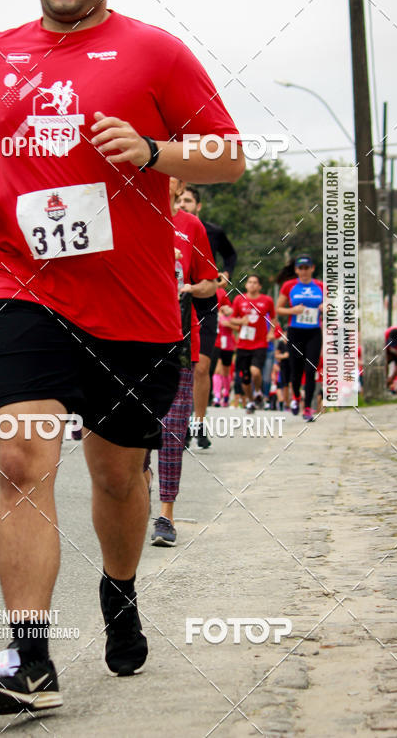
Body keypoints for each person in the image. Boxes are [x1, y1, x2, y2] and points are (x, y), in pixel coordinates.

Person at [0, 0, 244, 715]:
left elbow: (229, 153)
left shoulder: (155, 51)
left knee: (117, 476)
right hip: (23, 288)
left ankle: (121, 586)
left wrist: (152, 151)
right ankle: (30, 660)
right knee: (22, 466)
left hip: (134, 309)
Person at [149, 178, 217, 546]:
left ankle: (166, 514)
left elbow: (210, 281)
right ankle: (135, 493)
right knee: (139, 435)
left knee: (173, 432)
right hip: (134, 337)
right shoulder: (134, 213)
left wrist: (191, 288)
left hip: (179, 337)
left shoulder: (192, 226)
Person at [177, 186, 237, 447]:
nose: (183, 204)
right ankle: (177, 420)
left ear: (198, 205)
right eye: (180, 200)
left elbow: (231, 254)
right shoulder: (167, 225)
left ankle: (198, 423)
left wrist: (226, 274)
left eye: (188, 200)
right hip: (177, 302)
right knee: (181, 367)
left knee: (202, 367)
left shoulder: (210, 230)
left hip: (205, 304)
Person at [276, 254, 324, 422]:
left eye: (307, 268)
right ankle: (296, 397)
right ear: (296, 270)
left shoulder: (320, 285)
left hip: (314, 332)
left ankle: (308, 408)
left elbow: (330, 305)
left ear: (312, 268)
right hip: (295, 332)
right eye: (301, 268)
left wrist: (325, 306)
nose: (304, 272)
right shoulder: (289, 286)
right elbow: (279, 309)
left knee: (311, 370)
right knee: (295, 370)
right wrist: (292, 311)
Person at [229, 274, 277, 413]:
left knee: (255, 371)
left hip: (260, 343)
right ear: (246, 285)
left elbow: (273, 318)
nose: (252, 285)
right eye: (250, 282)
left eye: (255, 282)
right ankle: (251, 402)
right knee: (244, 378)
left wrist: (271, 332)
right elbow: (232, 319)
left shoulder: (267, 300)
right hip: (243, 344)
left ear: (260, 286)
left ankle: (258, 392)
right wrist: (240, 321)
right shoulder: (239, 299)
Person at [211, 285, 235, 407]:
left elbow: (237, 326)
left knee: (226, 371)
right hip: (216, 342)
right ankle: (216, 396)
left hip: (228, 344)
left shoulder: (228, 312)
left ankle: (226, 392)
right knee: (217, 369)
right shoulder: (212, 314)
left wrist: (228, 323)